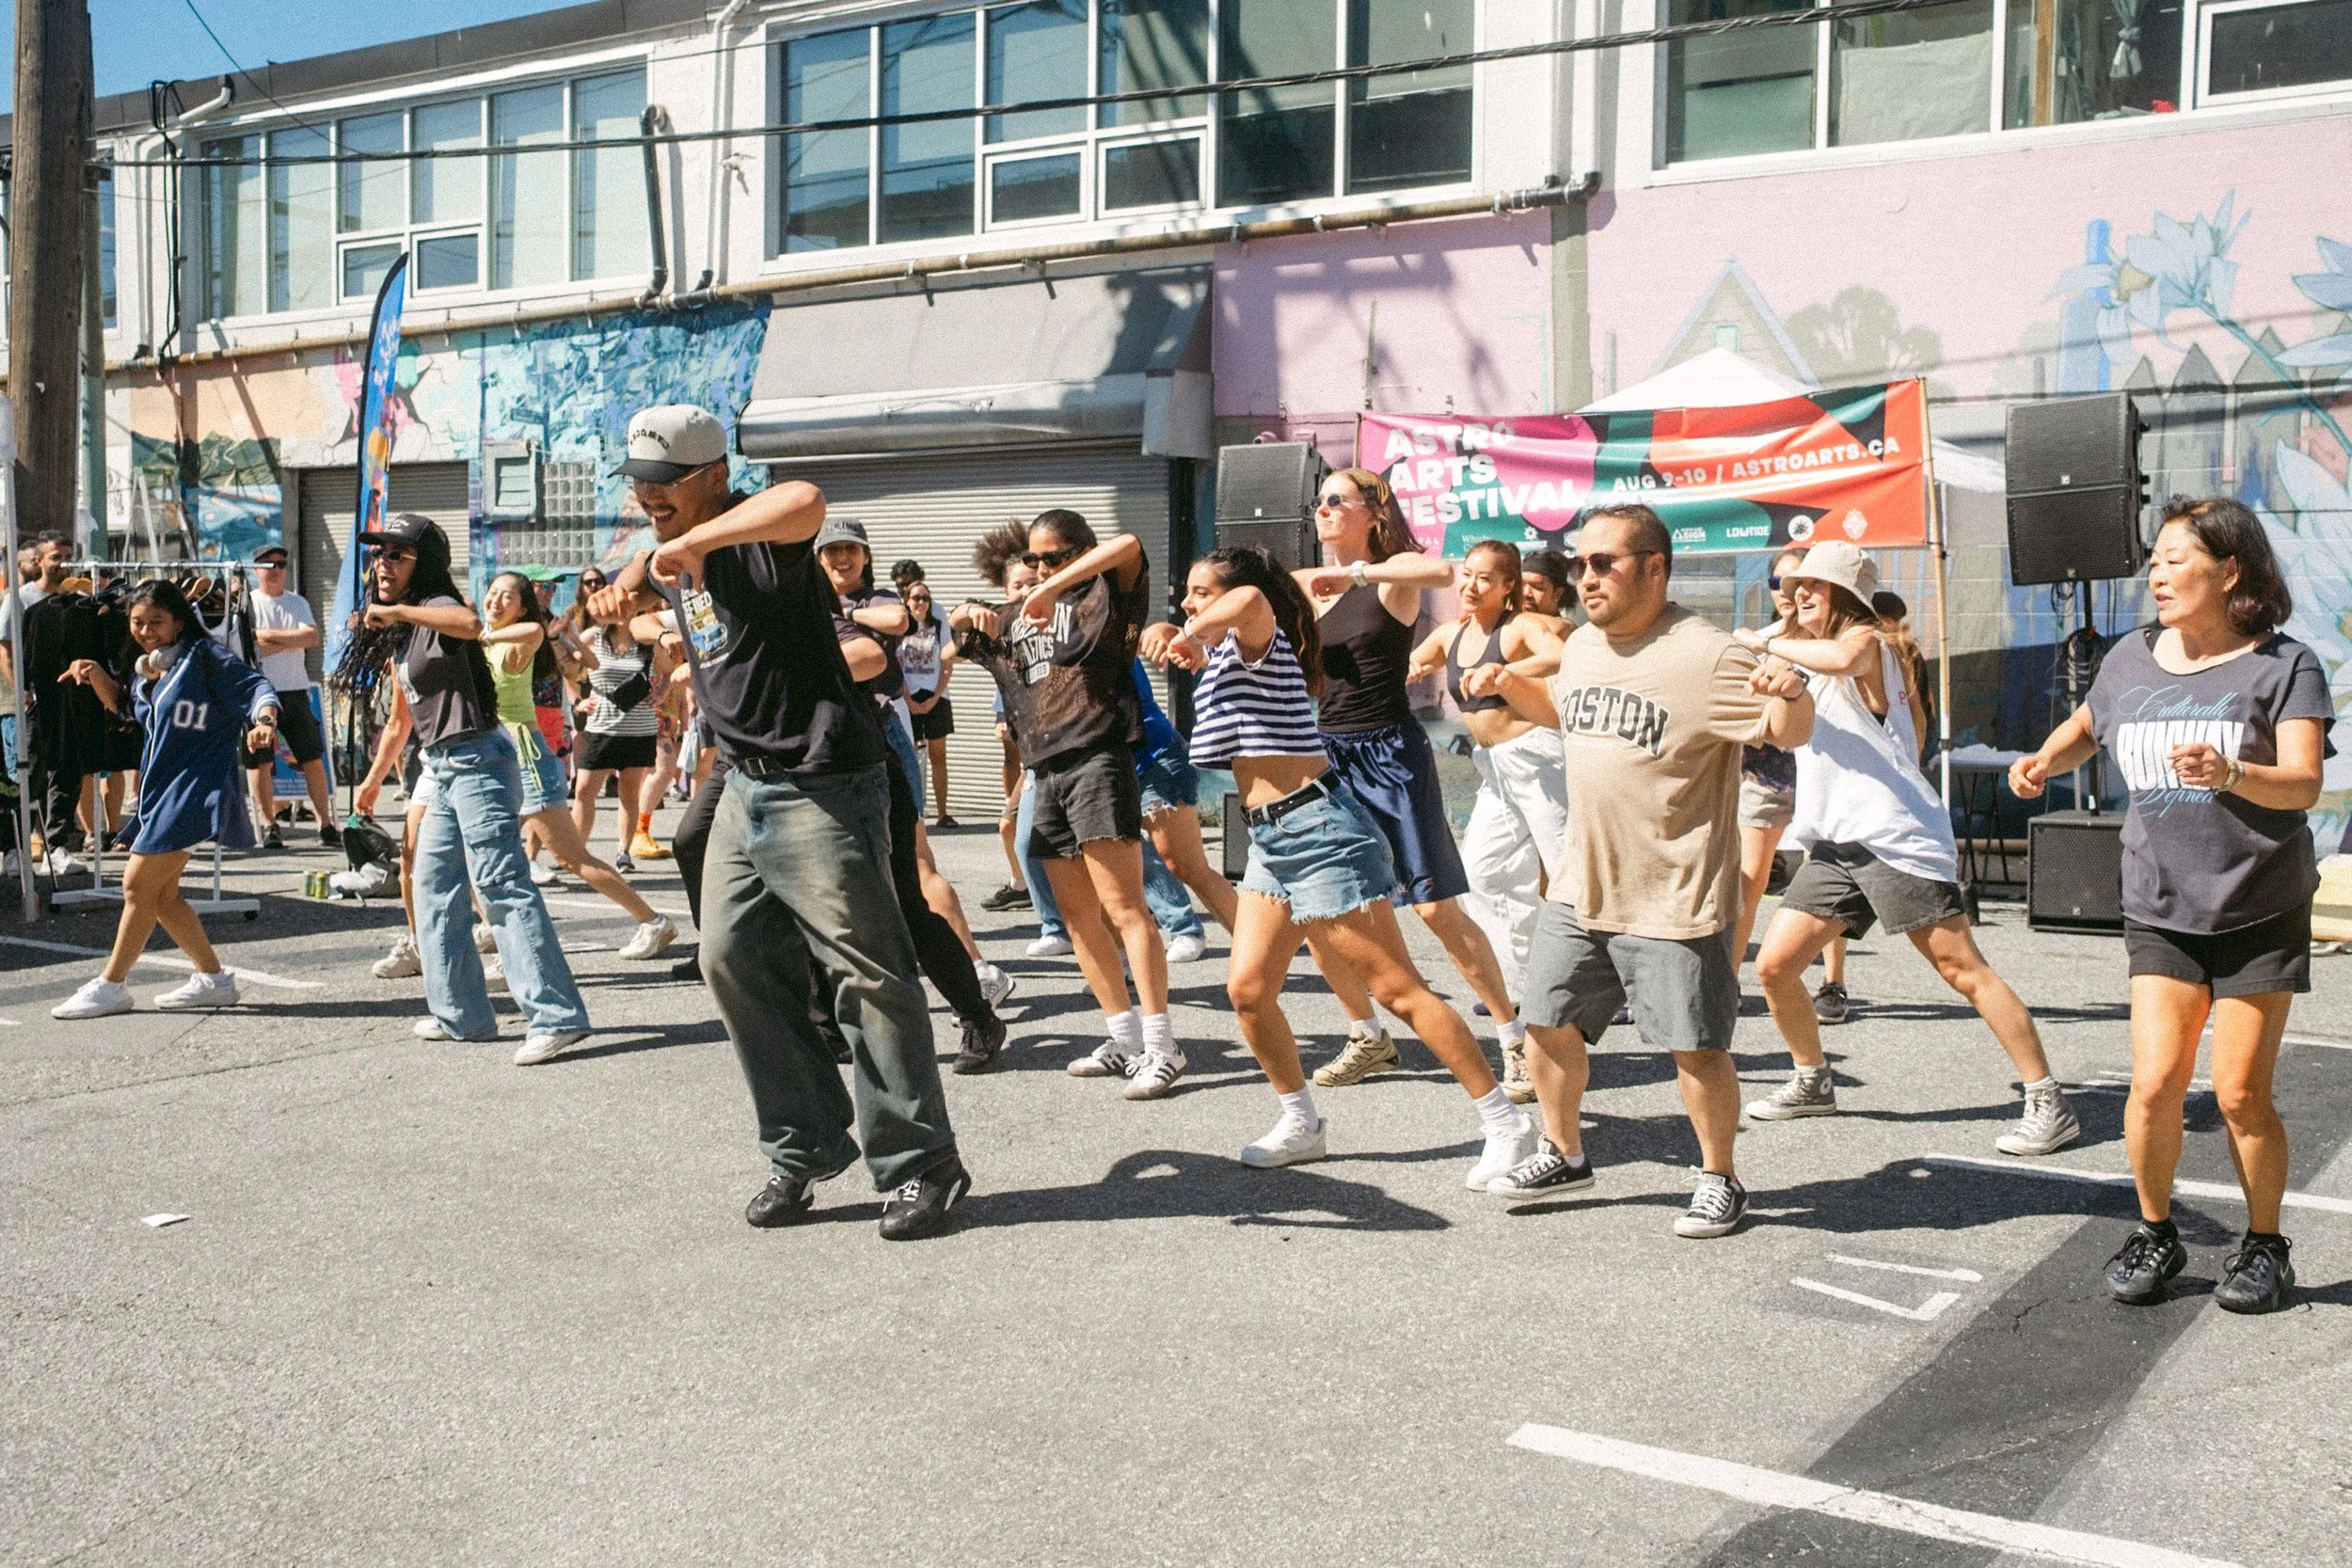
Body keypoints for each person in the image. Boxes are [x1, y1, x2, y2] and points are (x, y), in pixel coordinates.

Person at [589, 403, 968, 1240]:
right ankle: (808, 1142)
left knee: (865, 972)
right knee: (729, 957)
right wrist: (641, 581)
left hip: (822, 780)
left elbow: (806, 498)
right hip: (741, 781)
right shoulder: (670, 554)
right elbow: (676, 605)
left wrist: (691, 544)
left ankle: (923, 1163)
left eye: (665, 483)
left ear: (714, 477)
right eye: (640, 483)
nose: (649, 497)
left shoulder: (761, 535)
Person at [2012, 499, 2332, 1314]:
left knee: (2239, 1094)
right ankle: (2157, 1230)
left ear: (2230, 571)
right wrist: (2043, 760)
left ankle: (2266, 1244)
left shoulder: (2285, 665)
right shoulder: (2130, 655)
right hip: (2160, 903)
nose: (2156, 574)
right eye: (2153, 560)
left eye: (2176, 559)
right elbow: (2091, 723)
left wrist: (2232, 772)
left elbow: (2303, 782)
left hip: (2258, 906)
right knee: (2154, 1083)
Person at [1140, 546, 1537, 1181]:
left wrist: (1191, 628)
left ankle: (1505, 1122)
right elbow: (1221, 623)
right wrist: (1180, 630)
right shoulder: (1229, 649)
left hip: (1320, 830)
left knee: (1397, 989)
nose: (1191, 603)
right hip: (1271, 839)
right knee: (1248, 991)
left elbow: (1249, 599)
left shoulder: (1260, 636)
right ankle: (1302, 1123)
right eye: (1186, 594)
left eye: (1201, 591)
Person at [1487, 504, 1814, 1239]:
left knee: (1695, 1048)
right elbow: (1570, 713)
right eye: (1581, 563)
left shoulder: (1709, 654)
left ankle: (1719, 1177)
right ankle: (1564, 1152)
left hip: (1673, 894)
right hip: (1579, 887)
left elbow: (1788, 731)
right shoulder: (1582, 646)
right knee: (1545, 1021)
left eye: (1604, 562)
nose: (1586, 576)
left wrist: (1792, 692)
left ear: (1656, 567)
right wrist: (1507, 685)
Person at [1736, 542, 2080, 1154]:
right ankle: (1813, 1080)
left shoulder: (1864, 641)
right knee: (1775, 966)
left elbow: (1845, 659)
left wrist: (1762, 641)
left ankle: (2048, 1100)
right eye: (1794, 587)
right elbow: (1905, 738)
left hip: (1895, 839)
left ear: (1846, 594)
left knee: (1962, 969)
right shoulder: (1817, 658)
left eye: (1813, 585)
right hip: (1840, 841)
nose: (1799, 594)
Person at [1294, 467, 1524, 1087]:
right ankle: (1367, 1034)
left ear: (1374, 511)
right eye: (1318, 502)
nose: (1323, 510)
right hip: (1329, 755)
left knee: (1434, 908)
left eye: (1336, 500)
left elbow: (1440, 572)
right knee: (1319, 910)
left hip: (1389, 754)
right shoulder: (1309, 587)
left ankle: (1513, 1036)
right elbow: (1244, 596)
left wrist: (1357, 574)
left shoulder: (1390, 576)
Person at [339, 514, 592, 1066]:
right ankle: (463, 1015)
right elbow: (403, 719)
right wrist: (373, 779)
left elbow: (470, 621)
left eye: (397, 555)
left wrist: (397, 611)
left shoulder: (434, 608)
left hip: (479, 759)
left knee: (500, 883)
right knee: (431, 888)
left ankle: (557, 1017)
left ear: (424, 562)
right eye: (379, 555)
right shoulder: (408, 629)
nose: (383, 565)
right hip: (442, 766)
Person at [951, 509, 1179, 1096]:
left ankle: (1162, 1046)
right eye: (1034, 559)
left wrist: (1051, 588)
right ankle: (1123, 1036)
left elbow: (1129, 543)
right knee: (1078, 918)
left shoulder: (1104, 598)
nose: (1043, 568)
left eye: (1055, 557)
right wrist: (968, 611)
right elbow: (953, 632)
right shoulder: (1016, 615)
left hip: (1098, 758)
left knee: (1125, 909)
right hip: (1043, 772)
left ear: (1080, 553)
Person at [50, 579, 279, 1019]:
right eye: (138, 622)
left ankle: (111, 985)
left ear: (179, 621)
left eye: (156, 621)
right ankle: (214, 980)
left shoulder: (206, 658)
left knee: (137, 886)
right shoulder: (149, 669)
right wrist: (97, 675)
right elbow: (126, 710)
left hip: (196, 787)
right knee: (163, 897)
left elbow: (257, 689)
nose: (146, 631)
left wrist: (264, 721)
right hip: (162, 789)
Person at [1404, 540, 1565, 1101]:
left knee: (1569, 876)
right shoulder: (1450, 635)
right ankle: (1526, 991)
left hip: (1541, 760)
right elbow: (1409, 661)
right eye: (1466, 575)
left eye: (1485, 579)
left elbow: (1560, 655)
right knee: (1483, 875)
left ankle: (1606, 983)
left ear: (1507, 586)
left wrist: (1506, 669)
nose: (1470, 586)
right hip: (1493, 768)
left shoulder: (1520, 629)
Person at [478, 571, 677, 959]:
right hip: (496, 758)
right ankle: (493, 926)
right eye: (492, 593)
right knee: (474, 850)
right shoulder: (490, 640)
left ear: (523, 607)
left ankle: (652, 920)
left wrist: (487, 634)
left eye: (506, 596)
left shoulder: (518, 638)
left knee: (571, 857)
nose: (495, 601)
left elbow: (538, 635)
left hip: (528, 760)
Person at [1736, 547, 1849, 1021]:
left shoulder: (1835, 644)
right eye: (1780, 584)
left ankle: (1832, 982)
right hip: (1766, 771)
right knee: (1750, 877)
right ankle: (1727, 981)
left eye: (1802, 583)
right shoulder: (1757, 641)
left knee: (1825, 873)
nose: (1791, 593)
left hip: (1825, 772)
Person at [235, 545, 340, 850]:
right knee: (260, 761)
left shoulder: (297, 602)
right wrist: (290, 639)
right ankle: (270, 825)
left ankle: (326, 824)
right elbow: (250, 647)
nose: (277, 570)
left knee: (312, 758)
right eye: (270, 565)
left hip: (295, 690)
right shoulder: (248, 604)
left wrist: (269, 636)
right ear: (257, 569)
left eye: (281, 564)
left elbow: (312, 637)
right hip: (258, 691)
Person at [570, 610, 660, 873]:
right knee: (584, 790)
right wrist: (577, 701)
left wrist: (662, 692)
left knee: (629, 792)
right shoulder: (594, 637)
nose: (621, 611)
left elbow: (669, 668)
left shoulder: (647, 640)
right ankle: (577, 853)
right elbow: (567, 668)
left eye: (628, 605)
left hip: (639, 728)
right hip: (601, 728)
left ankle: (624, 852)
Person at [898, 578, 959, 827]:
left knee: (938, 755)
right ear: (907, 601)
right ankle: (914, 815)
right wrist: (907, 699)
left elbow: (947, 663)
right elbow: (895, 665)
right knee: (909, 756)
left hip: (935, 695)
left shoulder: (938, 624)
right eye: (916, 598)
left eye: (925, 598)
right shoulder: (901, 626)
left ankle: (942, 813)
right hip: (908, 695)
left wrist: (935, 697)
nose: (921, 602)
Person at [1519, 548, 1575, 626]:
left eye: (1537, 587)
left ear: (1558, 593)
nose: (1526, 593)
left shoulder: (1563, 629)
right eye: (1521, 585)